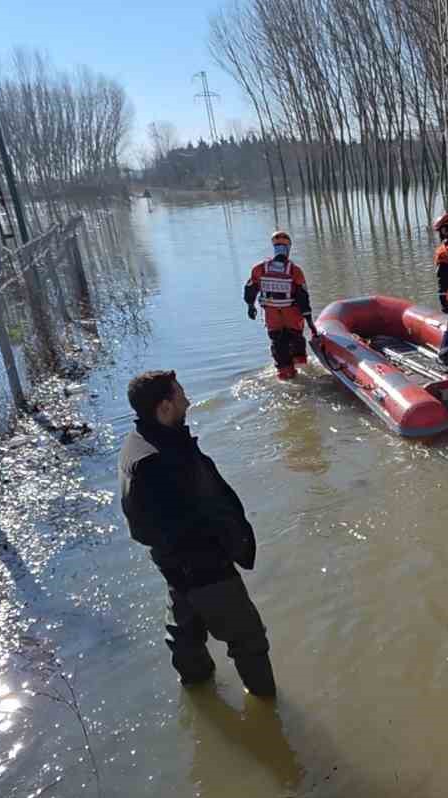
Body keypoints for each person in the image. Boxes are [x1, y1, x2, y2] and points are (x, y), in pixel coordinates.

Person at [118, 370, 276, 696]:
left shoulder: (141, 442)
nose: (188, 401)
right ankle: (267, 704)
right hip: (205, 570)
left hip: (177, 570)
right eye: (180, 395)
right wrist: (219, 550)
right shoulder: (158, 462)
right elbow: (172, 522)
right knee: (249, 641)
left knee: (185, 638)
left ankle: (199, 698)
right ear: (164, 407)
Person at [244, 230, 314, 381]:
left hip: (272, 316)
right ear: (288, 248)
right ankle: (302, 369)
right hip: (292, 317)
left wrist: (250, 306)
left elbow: (250, 289)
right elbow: (303, 297)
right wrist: (310, 322)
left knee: (278, 344)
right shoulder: (294, 271)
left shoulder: (260, 269)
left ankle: (285, 374)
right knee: (297, 342)